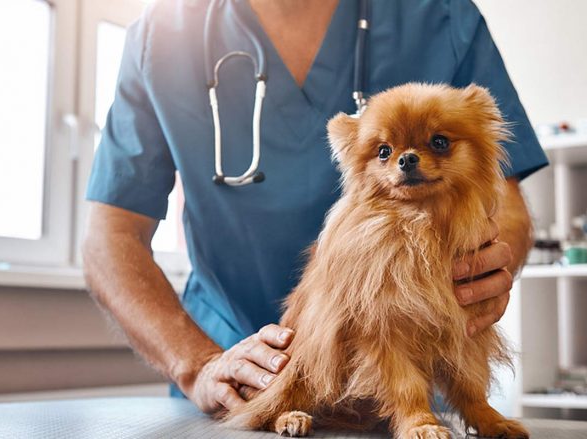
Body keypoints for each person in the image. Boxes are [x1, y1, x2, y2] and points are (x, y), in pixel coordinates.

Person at [83, 0, 548, 415]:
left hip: (415, 378)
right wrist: (198, 364)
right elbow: (110, 237)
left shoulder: (439, 14)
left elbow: (502, 196)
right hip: (235, 372)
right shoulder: (161, 31)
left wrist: (481, 268)